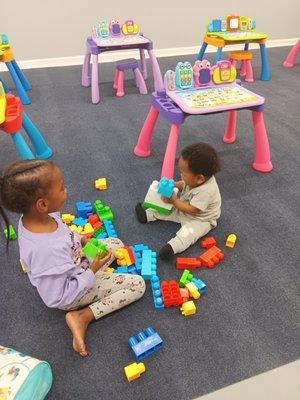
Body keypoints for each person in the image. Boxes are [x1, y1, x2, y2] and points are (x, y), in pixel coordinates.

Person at [0, 160, 145, 357]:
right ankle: (82, 316)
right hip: (72, 292)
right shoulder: (47, 251)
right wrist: (92, 271)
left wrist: (80, 239)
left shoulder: (40, 216)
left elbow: (63, 235)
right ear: (42, 204)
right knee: (137, 285)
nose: (66, 190)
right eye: (61, 188)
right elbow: (57, 297)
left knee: (116, 244)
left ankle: (89, 273)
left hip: (74, 263)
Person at [135, 142, 222, 260]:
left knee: (189, 233)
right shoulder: (195, 180)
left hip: (201, 219)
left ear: (200, 178)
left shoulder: (206, 191)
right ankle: (148, 215)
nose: (181, 176)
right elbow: (184, 184)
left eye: (184, 174)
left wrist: (175, 201)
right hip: (185, 206)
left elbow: (193, 210)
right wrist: (174, 185)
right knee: (166, 208)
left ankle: (172, 248)